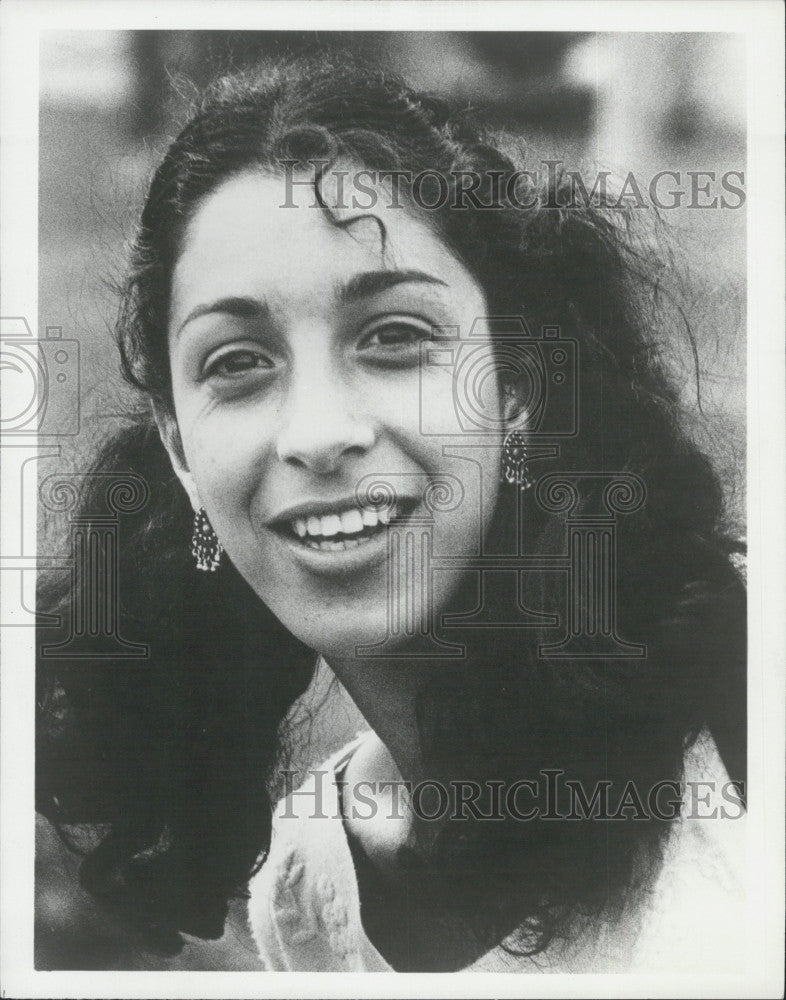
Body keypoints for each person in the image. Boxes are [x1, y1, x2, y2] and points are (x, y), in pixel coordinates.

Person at [36, 54, 747, 973]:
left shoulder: (741, 710)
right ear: (179, 452)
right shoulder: (309, 891)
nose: (319, 435)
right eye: (238, 362)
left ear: (522, 387)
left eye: (396, 338)